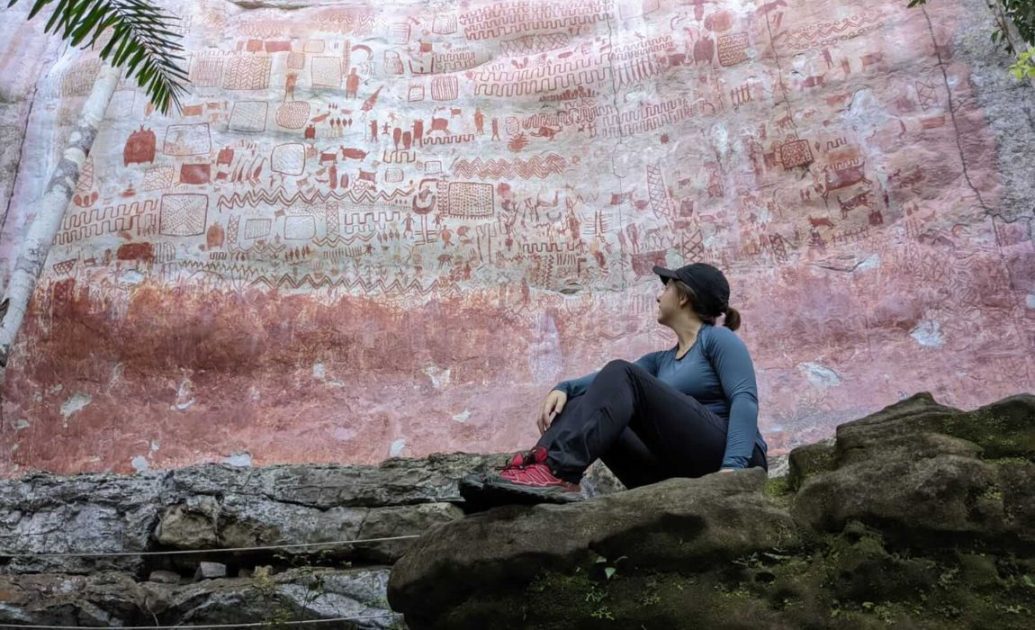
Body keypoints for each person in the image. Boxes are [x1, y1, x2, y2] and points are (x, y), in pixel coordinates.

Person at [469, 262, 768, 505]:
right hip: (677, 467)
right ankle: (540, 470)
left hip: (730, 459)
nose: (658, 296)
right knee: (582, 401)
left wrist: (734, 468)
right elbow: (602, 385)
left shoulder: (718, 340)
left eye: (666, 287)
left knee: (621, 372)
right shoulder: (659, 361)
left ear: (683, 296)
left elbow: (744, 399)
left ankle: (557, 469)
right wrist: (565, 388)